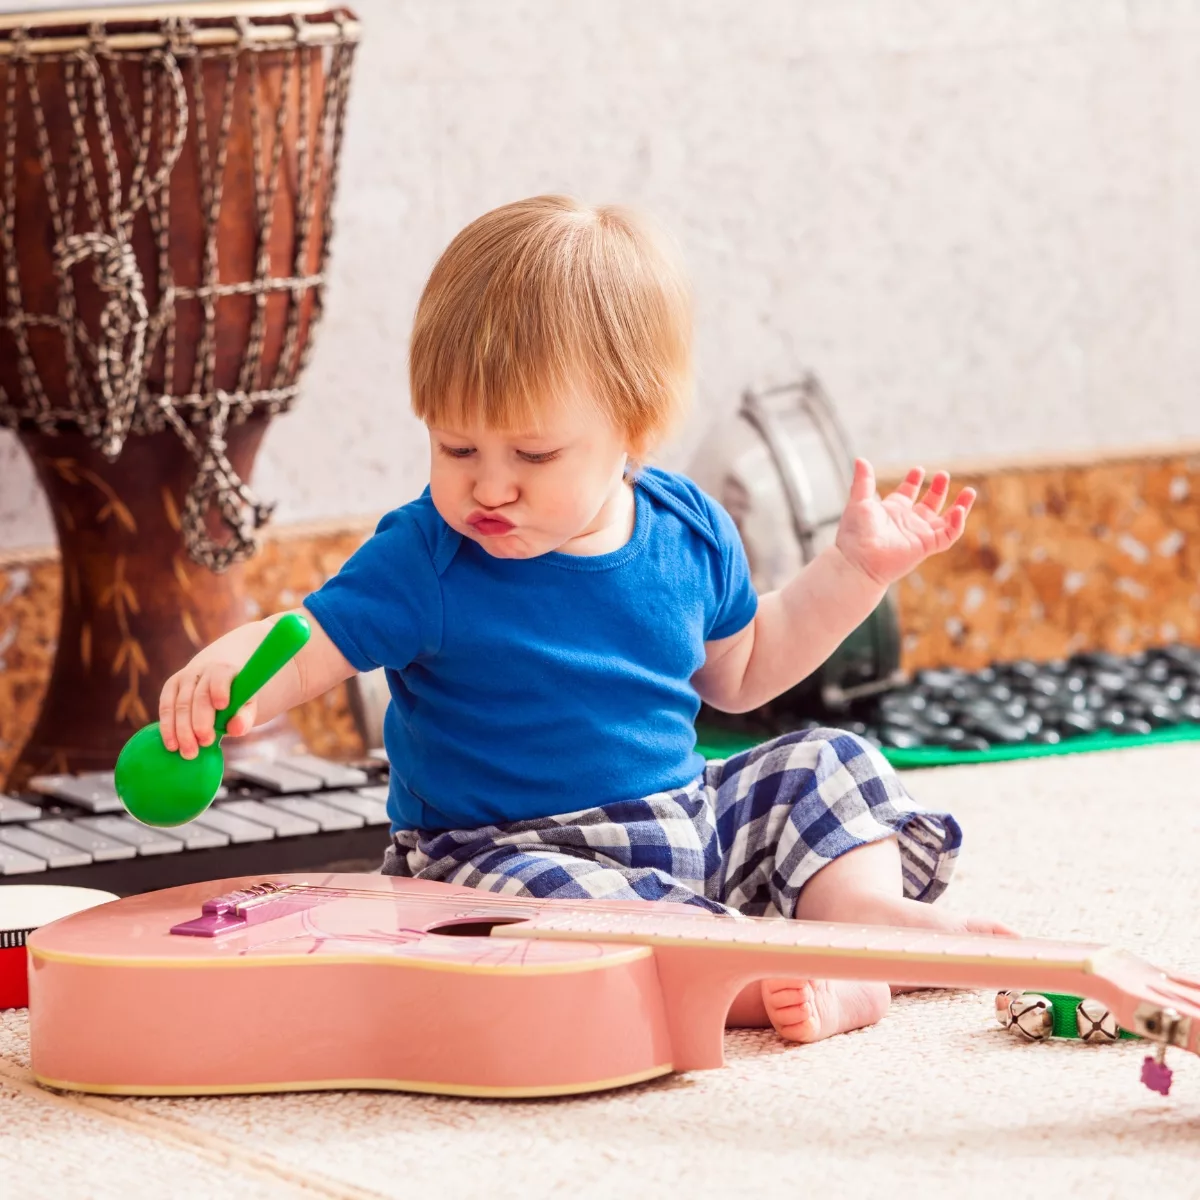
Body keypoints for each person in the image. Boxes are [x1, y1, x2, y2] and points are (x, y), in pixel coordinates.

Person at [158, 195, 1010, 1044]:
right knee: (550, 937)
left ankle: (860, 918)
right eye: (458, 448)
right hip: (497, 858)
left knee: (829, 760)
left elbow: (747, 672)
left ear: (631, 430)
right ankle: (758, 978)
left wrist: (855, 570)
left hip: (686, 821)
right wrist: (233, 679)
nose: (489, 485)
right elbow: (312, 646)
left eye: (532, 454)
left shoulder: (686, 529)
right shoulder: (425, 557)